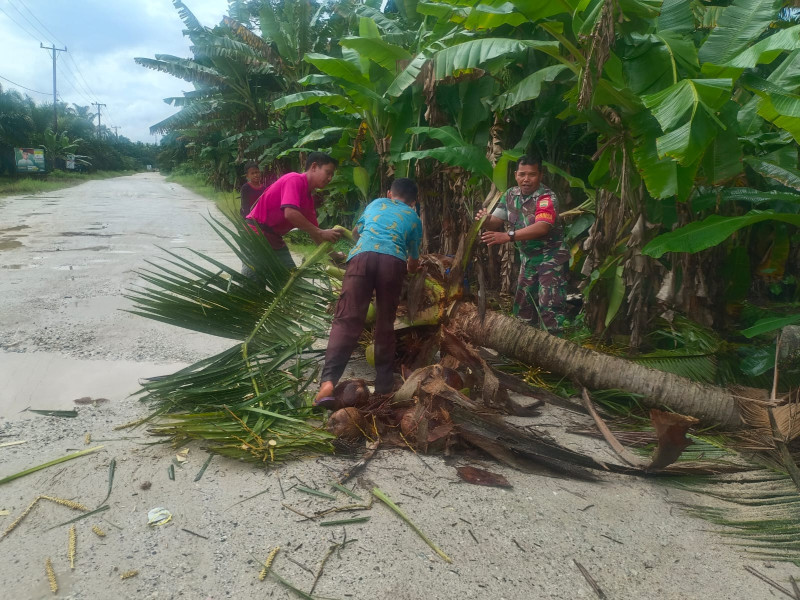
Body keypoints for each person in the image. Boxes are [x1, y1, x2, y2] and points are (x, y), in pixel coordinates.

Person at [315, 178, 422, 405]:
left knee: (346, 320)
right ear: (414, 202)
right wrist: (413, 271)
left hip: (362, 258)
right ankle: (383, 386)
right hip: (392, 263)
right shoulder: (414, 218)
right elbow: (413, 262)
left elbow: (356, 233)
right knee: (385, 322)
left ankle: (328, 382)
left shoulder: (376, 204)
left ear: (389, 193)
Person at [476, 155, 570, 333]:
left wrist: (507, 236)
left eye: (532, 175)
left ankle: (552, 353)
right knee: (523, 309)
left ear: (540, 176)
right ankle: (525, 350)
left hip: (551, 260)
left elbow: (542, 227)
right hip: (528, 260)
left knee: (549, 310)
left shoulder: (546, 198)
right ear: (516, 175)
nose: (526, 179)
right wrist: (484, 219)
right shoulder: (510, 194)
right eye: (522, 174)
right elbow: (495, 221)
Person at [245, 152, 341, 269]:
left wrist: (335, 256)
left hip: (274, 238)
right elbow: (290, 213)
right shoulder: (294, 179)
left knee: (290, 280)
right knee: (255, 281)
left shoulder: (308, 199)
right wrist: (321, 231)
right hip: (256, 234)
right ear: (314, 167)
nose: (330, 178)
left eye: (332, 175)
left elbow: (315, 234)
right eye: (328, 173)